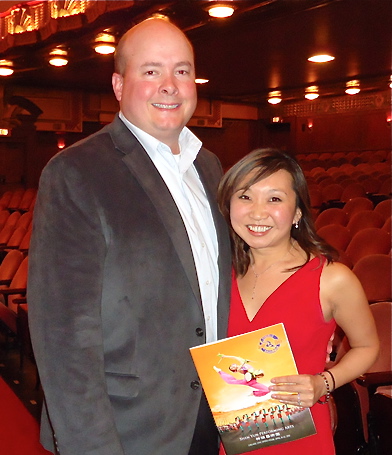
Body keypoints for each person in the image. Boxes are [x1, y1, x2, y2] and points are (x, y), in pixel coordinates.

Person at [27, 17, 231, 455]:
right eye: (151, 70)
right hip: (126, 428)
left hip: (209, 415)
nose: (170, 85)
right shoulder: (77, 172)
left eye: (182, 70)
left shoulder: (209, 167)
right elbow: (63, 336)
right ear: (119, 85)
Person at [216, 148, 379, 454]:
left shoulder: (331, 279)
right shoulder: (217, 276)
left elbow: (368, 347)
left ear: (297, 213)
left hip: (299, 439)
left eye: (274, 199)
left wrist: (325, 383)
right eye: (245, 196)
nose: (257, 212)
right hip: (233, 438)